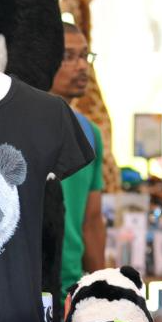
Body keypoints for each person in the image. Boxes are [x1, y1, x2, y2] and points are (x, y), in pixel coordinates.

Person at [50, 22, 105, 292]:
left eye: (85, 55)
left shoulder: (90, 133)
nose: (82, 66)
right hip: (24, 285)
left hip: (71, 289)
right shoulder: (19, 126)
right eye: (68, 56)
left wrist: (105, 289)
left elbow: (91, 221)